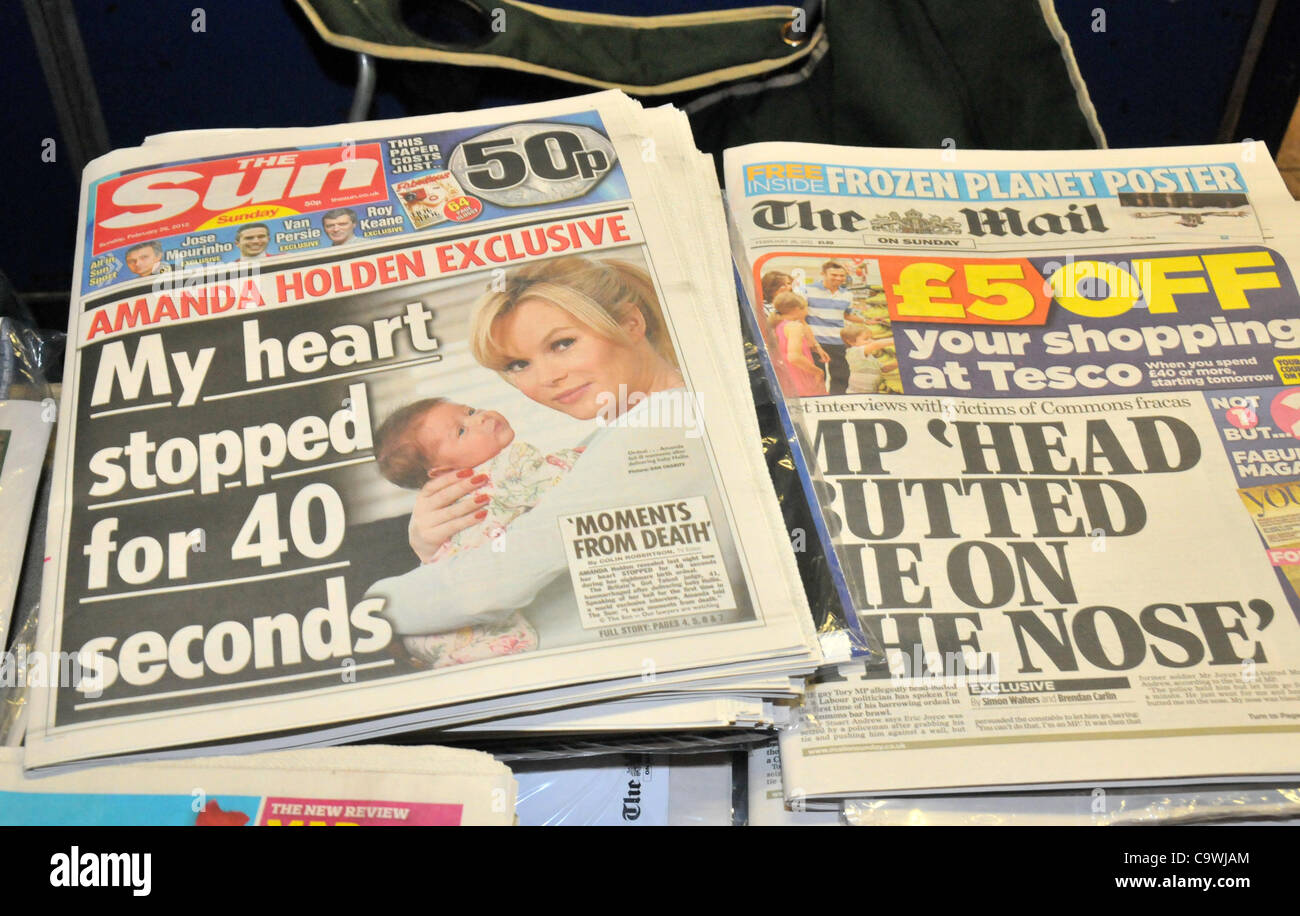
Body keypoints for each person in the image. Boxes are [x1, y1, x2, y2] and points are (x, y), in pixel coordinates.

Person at [366, 255, 749, 653]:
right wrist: (438, 546)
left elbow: (491, 583)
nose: (547, 378)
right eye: (518, 364)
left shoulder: (662, 426)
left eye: (562, 344)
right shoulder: (628, 430)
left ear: (631, 323)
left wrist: (366, 609)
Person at [371, 397, 583, 668]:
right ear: (445, 471)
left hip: (431, 624)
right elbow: (552, 480)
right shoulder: (510, 462)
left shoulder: (449, 499)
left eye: (470, 411)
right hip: (472, 597)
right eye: (461, 431)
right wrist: (576, 457)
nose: (480, 418)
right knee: (511, 640)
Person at [803, 260, 855, 394]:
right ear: (823, 274)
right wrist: (809, 340)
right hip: (815, 341)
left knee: (842, 375)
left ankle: (836, 399)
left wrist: (868, 320)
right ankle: (817, 399)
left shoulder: (847, 295)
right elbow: (800, 316)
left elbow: (847, 315)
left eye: (841, 276)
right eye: (834, 275)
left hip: (837, 340)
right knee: (817, 375)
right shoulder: (807, 290)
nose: (838, 278)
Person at [769, 291, 827, 397]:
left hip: (787, 376)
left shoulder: (780, 324)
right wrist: (818, 371)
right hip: (800, 377)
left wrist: (817, 347)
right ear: (797, 309)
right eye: (805, 308)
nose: (807, 311)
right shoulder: (794, 326)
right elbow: (794, 357)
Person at [842, 326, 897, 394]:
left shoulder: (871, 358)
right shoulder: (853, 352)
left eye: (871, 338)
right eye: (866, 339)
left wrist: (898, 363)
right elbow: (875, 345)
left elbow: (884, 369)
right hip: (856, 394)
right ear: (851, 342)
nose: (870, 341)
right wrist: (897, 340)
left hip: (871, 393)